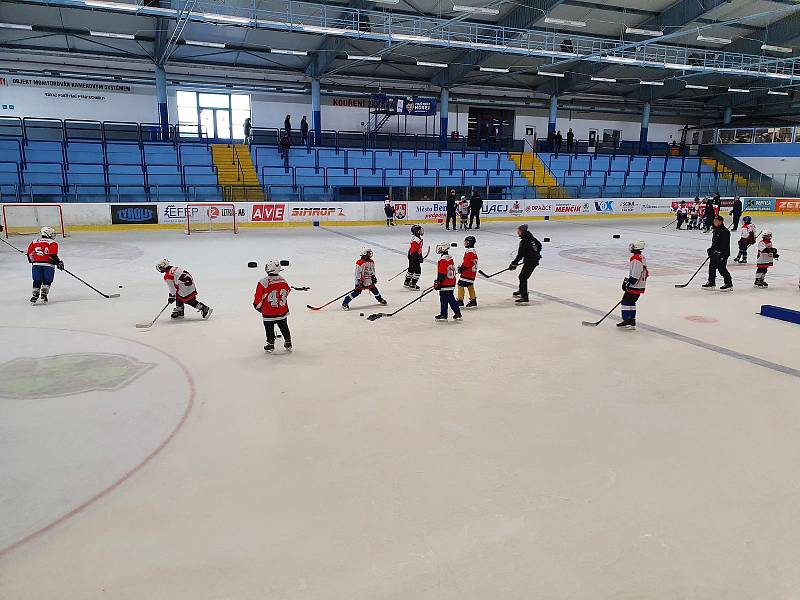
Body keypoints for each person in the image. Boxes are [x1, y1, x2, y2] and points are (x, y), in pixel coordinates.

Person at [253, 259, 292, 353]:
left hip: (269, 312)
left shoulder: (264, 281)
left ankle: (270, 344)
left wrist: (257, 306)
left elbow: (258, 296)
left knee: (269, 327)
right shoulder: (283, 280)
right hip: (282, 310)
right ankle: (288, 342)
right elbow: (287, 291)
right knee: (283, 325)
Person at [27, 226, 63, 304]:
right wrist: (58, 262)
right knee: (47, 280)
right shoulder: (52, 243)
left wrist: (33, 262)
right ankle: (44, 294)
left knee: (37, 280)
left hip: (36, 264)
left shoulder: (34, 241)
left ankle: (35, 295)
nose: (53, 235)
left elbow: (29, 254)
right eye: (52, 233)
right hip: (48, 265)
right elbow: (52, 255)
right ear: (48, 234)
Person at [617, 240, 648, 330]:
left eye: (633, 247)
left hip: (635, 286)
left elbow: (636, 273)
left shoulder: (636, 259)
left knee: (625, 302)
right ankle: (632, 320)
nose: (631, 248)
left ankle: (627, 319)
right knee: (631, 302)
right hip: (640, 285)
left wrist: (630, 282)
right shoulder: (641, 257)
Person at [508, 223, 542, 304]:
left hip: (531, 262)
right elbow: (539, 246)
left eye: (519, 231)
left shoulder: (524, 242)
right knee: (522, 276)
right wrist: (534, 254)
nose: (517, 232)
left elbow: (520, 255)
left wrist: (514, 263)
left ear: (522, 232)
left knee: (523, 277)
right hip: (532, 260)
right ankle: (521, 291)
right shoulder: (532, 238)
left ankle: (524, 296)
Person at [702, 215, 733, 291]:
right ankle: (711, 282)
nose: (714, 222)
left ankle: (729, 284)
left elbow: (725, 244)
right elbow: (714, 243)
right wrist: (711, 250)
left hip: (722, 254)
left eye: (716, 221)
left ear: (720, 222)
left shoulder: (725, 231)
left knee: (721, 269)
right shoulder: (716, 230)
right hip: (715, 253)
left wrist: (719, 252)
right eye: (714, 221)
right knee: (711, 267)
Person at [434, 241, 462, 321]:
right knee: (451, 298)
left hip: (445, 283)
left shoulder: (442, 259)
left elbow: (442, 273)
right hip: (452, 281)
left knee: (443, 299)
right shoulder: (450, 257)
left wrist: (438, 282)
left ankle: (443, 314)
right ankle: (457, 313)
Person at [456, 235, 478, 309]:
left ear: (469, 243)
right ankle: (473, 300)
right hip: (472, 273)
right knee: (470, 285)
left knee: (460, 284)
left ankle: (460, 300)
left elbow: (466, 264)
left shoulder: (469, 252)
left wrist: (461, 269)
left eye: (466, 242)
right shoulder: (473, 251)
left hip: (467, 273)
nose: (465, 243)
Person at [405, 225, 424, 290]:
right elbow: (413, 251)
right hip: (413, 256)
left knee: (411, 269)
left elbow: (417, 250)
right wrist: (418, 258)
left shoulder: (417, 238)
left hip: (412, 256)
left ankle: (407, 282)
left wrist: (420, 256)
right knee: (418, 271)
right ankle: (413, 284)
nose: (421, 231)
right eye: (420, 230)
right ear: (417, 232)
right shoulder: (416, 240)